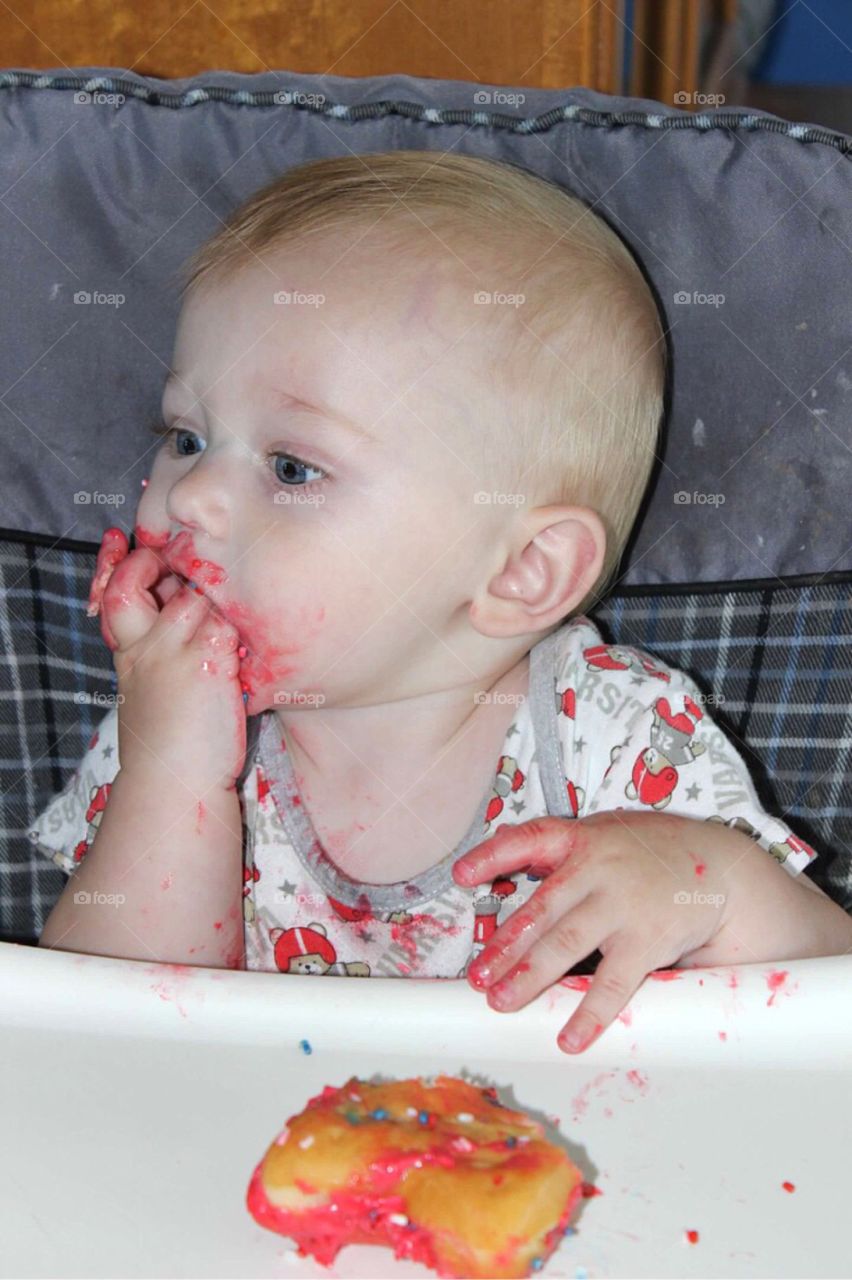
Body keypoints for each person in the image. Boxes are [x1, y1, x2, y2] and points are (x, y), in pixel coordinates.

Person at [30, 151, 852, 1054]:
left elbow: (826, 998)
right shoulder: (174, 714)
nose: (188, 498)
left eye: (292, 467)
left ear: (522, 571)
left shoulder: (616, 736)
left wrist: (717, 888)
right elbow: (98, 1047)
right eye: (186, 437)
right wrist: (173, 772)